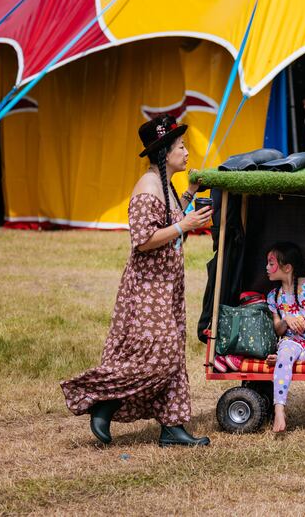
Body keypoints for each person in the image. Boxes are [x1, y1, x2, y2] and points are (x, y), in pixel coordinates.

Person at [60, 114, 213, 446]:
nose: (187, 152)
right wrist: (186, 226)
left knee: (172, 355)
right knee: (159, 356)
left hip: (166, 285)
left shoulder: (166, 185)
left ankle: (172, 427)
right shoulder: (147, 187)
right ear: (164, 152)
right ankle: (104, 398)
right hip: (148, 288)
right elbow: (143, 239)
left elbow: (169, 226)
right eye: (181, 146)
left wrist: (188, 196)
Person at [263, 242, 305, 433]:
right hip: (291, 342)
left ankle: (291, 359)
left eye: (271, 263)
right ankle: (279, 410)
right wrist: (287, 320)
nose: (267, 268)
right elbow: (278, 329)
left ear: (287, 267)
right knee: (285, 352)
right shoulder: (274, 296)